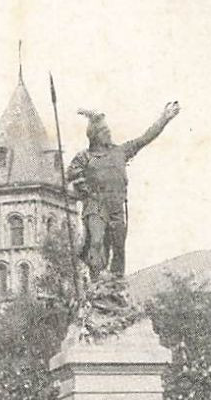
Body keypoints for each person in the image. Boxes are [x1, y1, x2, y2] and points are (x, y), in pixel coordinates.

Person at [66, 101, 181, 279]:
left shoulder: (120, 152)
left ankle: (116, 285)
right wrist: (81, 188)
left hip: (117, 207)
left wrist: (164, 118)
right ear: (94, 136)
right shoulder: (84, 157)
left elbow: (145, 138)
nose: (108, 134)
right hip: (96, 204)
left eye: (108, 131)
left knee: (119, 247)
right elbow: (69, 180)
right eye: (104, 132)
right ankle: (96, 280)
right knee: (96, 242)